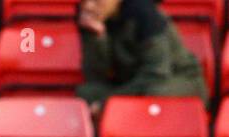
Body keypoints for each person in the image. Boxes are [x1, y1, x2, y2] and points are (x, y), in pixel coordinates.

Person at [76, 0, 207, 115]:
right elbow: (95, 76)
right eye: (84, 1)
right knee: (86, 92)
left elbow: (155, 73)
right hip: (132, 82)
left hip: (176, 79)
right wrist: (96, 38)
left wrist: (108, 102)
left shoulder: (145, 14)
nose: (88, 6)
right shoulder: (95, 21)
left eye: (96, 1)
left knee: (154, 91)